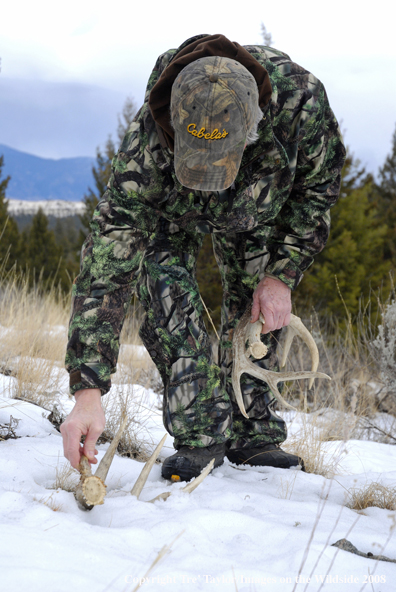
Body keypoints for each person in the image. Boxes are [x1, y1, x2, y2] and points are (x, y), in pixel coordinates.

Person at [60, 34, 346, 482]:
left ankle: (254, 431)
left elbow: (316, 195)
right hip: (172, 216)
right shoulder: (149, 141)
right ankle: (201, 433)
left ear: (255, 127)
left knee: (256, 309)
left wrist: (282, 275)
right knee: (164, 286)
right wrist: (87, 389)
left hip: (256, 211)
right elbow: (109, 256)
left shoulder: (301, 106)